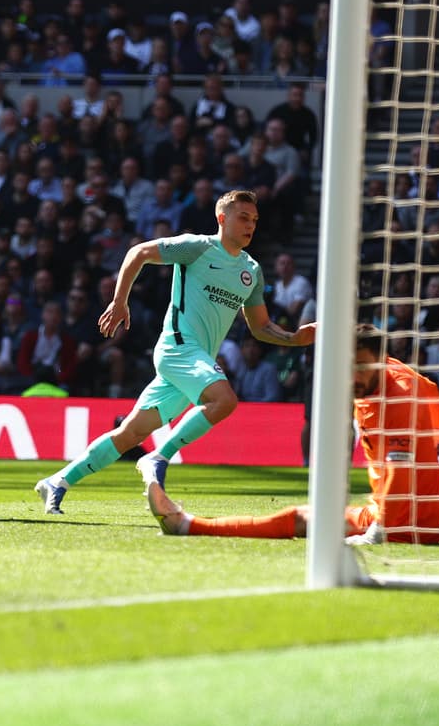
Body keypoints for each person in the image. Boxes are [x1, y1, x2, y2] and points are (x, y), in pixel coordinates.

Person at [146, 324, 439, 549]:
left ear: (378, 360)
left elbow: (397, 469)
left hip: (395, 512)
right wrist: (435, 438)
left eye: (360, 367)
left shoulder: (392, 398)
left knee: (300, 520)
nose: (353, 376)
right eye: (349, 365)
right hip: (431, 501)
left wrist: (379, 532)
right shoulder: (402, 379)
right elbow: (435, 415)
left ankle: (189, 525)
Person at [34, 190, 316, 514]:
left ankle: (58, 482)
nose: (250, 225)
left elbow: (260, 326)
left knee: (129, 433)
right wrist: (119, 300)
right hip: (178, 349)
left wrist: (295, 338)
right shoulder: (197, 247)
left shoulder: (251, 271)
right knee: (224, 400)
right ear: (222, 218)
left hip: (195, 363)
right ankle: (157, 458)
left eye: (254, 220)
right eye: (243, 217)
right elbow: (139, 252)